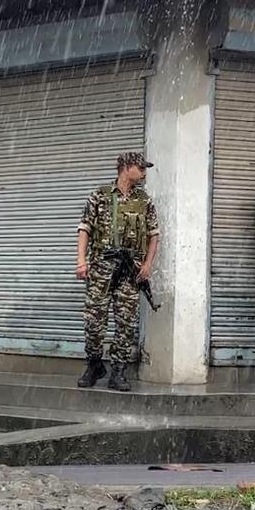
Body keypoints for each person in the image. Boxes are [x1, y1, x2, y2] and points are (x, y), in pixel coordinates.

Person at [75, 152, 161, 392]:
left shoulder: (144, 200)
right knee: (94, 321)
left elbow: (154, 236)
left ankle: (119, 371)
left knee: (126, 322)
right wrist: (81, 261)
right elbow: (85, 229)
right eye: (140, 168)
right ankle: (94, 364)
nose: (144, 172)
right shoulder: (100, 196)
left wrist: (147, 265)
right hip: (101, 267)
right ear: (126, 168)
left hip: (129, 270)